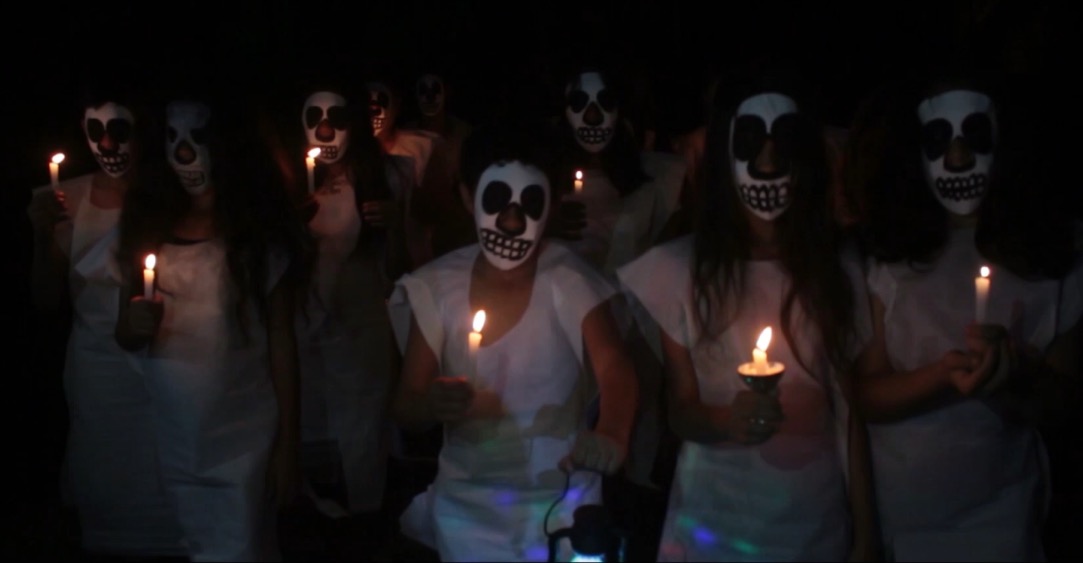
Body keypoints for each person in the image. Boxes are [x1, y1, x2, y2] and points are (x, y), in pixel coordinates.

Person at [618, 74, 878, 561]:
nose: (767, 164)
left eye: (783, 145)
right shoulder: (678, 273)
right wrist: (724, 421)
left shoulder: (834, 272)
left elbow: (849, 412)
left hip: (811, 526)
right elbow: (681, 408)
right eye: (752, 143)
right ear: (724, 154)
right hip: (712, 524)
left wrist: (865, 536)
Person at [852, 70, 1083, 561]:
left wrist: (1013, 384)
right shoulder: (886, 254)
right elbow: (865, 395)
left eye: (973, 135)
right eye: (939, 140)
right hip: (902, 525)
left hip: (1004, 522)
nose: (957, 158)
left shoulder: (1056, 252)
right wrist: (942, 375)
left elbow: (1065, 406)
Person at [388, 120, 638, 561]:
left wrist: (612, 432)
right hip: (470, 506)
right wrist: (432, 404)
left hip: (563, 498)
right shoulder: (437, 287)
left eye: (530, 202)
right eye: (497, 199)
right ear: (468, 196)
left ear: (552, 204)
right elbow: (406, 403)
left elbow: (615, 368)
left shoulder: (569, 278)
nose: (511, 219)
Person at [111, 96, 305, 562]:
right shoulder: (146, 229)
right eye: (174, 139)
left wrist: (288, 446)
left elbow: (281, 339)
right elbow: (124, 332)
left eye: (198, 139)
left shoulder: (257, 239)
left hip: (244, 437)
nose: (184, 154)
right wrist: (134, 324)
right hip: (176, 435)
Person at [26, 81, 184, 559]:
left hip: (167, 368)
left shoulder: (172, 198)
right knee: (111, 493)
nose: (108, 144)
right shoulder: (63, 201)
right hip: (99, 377)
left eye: (119, 129)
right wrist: (41, 237)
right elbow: (46, 300)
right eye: (97, 130)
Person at [292, 82, 407, 521]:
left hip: (362, 334)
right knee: (314, 432)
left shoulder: (388, 176)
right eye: (314, 120)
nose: (324, 130)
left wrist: (395, 226)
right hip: (307, 332)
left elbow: (400, 269)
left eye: (335, 120)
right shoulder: (291, 181)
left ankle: (363, 525)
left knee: (360, 442)